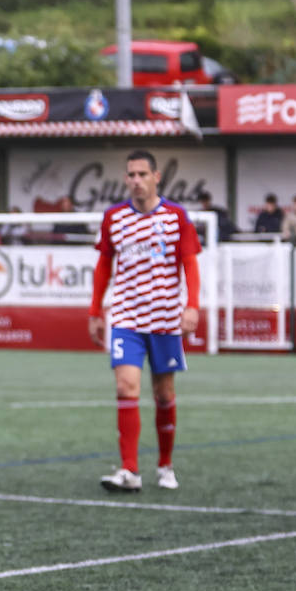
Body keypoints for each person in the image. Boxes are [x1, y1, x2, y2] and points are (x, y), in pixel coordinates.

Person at [88, 150, 200, 492]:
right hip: (126, 317)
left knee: (164, 395)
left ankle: (165, 465)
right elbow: (104, 265)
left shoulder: (176, 216)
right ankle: (130, 470)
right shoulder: (114, 217)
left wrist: (192, 306)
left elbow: (190, 264)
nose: (135, 180)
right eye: (130, 175)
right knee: (126, 387)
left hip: (165, 319)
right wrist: (96, 310)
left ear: (156, 177)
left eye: (141, 174)